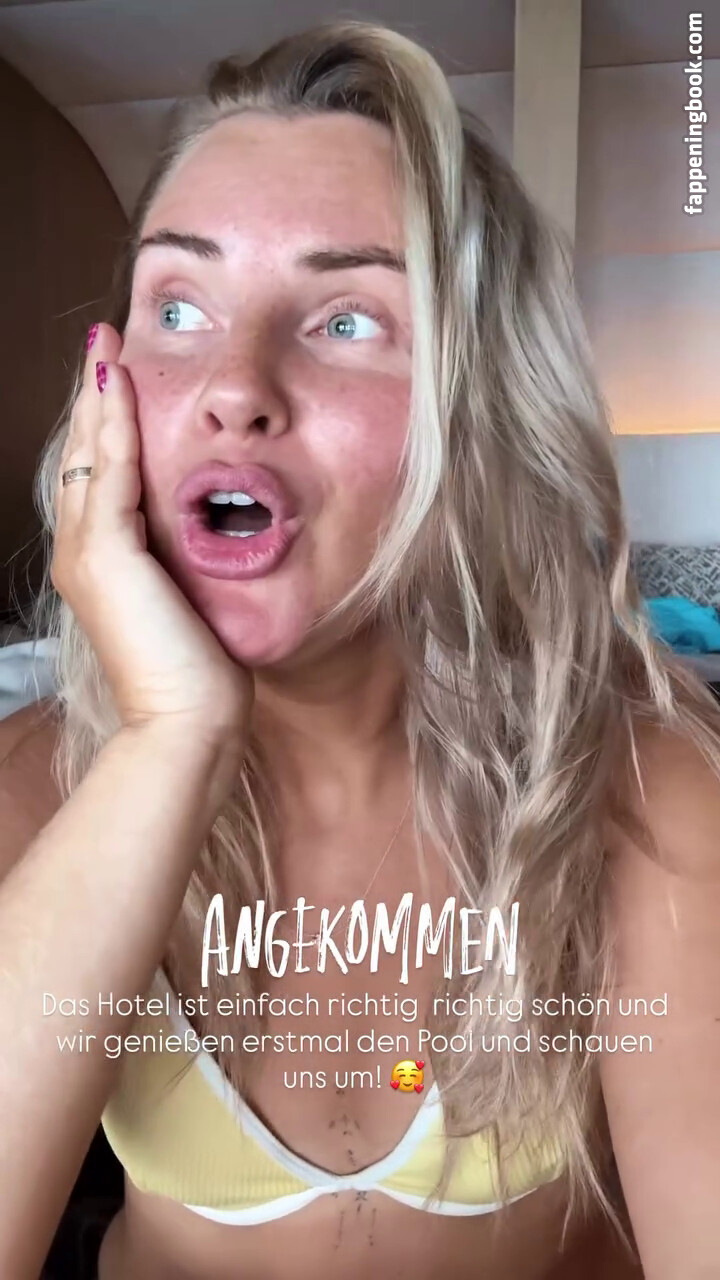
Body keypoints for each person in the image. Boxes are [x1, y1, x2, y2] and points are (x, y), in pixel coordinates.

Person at [1, 20, 719, 1280]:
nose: (234, 383)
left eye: (345, 320)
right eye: (179, 305)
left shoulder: (638, 794)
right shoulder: (35, 792)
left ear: (480, 410)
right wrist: (170, 738)